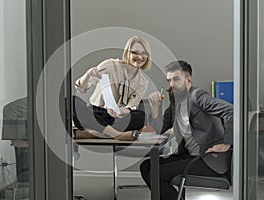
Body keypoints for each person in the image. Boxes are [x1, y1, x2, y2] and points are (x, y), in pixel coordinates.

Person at [140, 60, 233, 199]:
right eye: (169, 80)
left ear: (188, 80)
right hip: (190, 156)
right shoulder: (175, 103)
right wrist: (154, 111)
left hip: (208, 159)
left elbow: (231, 111)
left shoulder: (198, 97)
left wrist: (227, 144)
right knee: (146, 166)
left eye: (176, 79)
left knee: (157, 173)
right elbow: (159, 132)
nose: (171, 85)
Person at [73, 36, 152, 140]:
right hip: (96, 114)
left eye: (144, 53)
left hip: (116, 118)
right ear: (127, 53)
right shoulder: (110, 65)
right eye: (135, 52)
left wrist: (119, 111)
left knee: (140, 116)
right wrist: (88, 74)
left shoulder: (142, 83)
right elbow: (82, 88)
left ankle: (95, 132)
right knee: (72, 101)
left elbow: (131, 107)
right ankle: (116, 134)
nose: (140, 57)